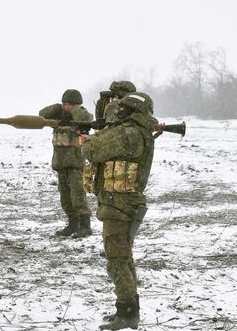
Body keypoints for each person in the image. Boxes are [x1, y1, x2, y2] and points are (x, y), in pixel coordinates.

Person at [80, 91, 157, 330]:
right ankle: (128, 310)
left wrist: (92, 133)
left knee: (117, 261)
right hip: (121, 204)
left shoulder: (129, 133)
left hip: (119, 206)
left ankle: (126, 313)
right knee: (123, 258)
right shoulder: (137, 132)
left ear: (130, 111)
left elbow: (92, 150)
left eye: (122, 108)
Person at [39, 89, 94, 238]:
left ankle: (85, 226)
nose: (66, 107)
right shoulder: (58, 116)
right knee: (66, 199)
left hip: (76, 165)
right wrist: (57, 107)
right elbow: (41, 114)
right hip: (61, 165)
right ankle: (72, 224)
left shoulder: (83, 116)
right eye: (64, 104)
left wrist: (74, 110)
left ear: (77, 105)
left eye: (70, 104)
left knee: (78, 197)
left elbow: (85, 119)